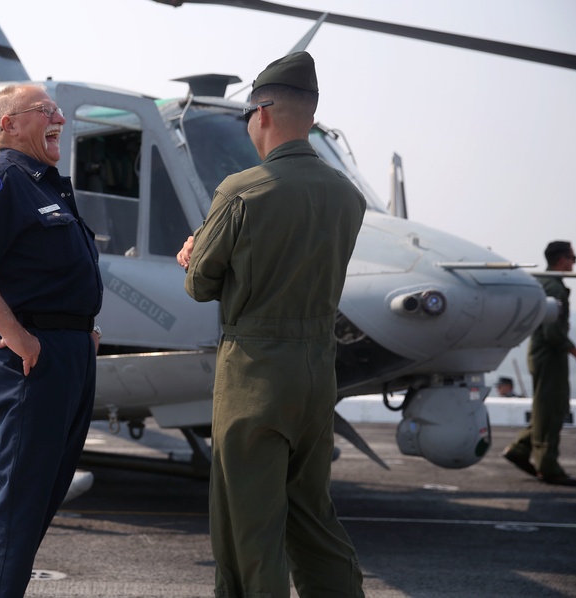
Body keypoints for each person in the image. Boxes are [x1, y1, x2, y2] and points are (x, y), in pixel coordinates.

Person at [176, 52, 366, 597]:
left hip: (254, 374)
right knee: (312, 515)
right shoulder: (346, 196)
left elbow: (201, 285)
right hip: (316, 374)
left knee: (246, 528)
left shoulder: (242, 190)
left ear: (262, 113)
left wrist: (192, 255)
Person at [0, 83, 103, 597]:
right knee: (22, 503)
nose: (60, 119)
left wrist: (81, 329)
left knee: (44, 497)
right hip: (35, 359)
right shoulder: (2, 177)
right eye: (46, 111)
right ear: (9, 125)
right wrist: (19, 335)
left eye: (58, 111)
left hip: (68, 353)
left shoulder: (46, 185)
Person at [502, 241, 576, 487]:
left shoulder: (546, 283)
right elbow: (553, 333)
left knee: (552, 407)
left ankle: (521, 449)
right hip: (549, 355)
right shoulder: (553, 286)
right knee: (551, 409)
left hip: (544, 354)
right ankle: (548, 466)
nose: (574, 263)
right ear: (561, 259)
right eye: (573, 258)